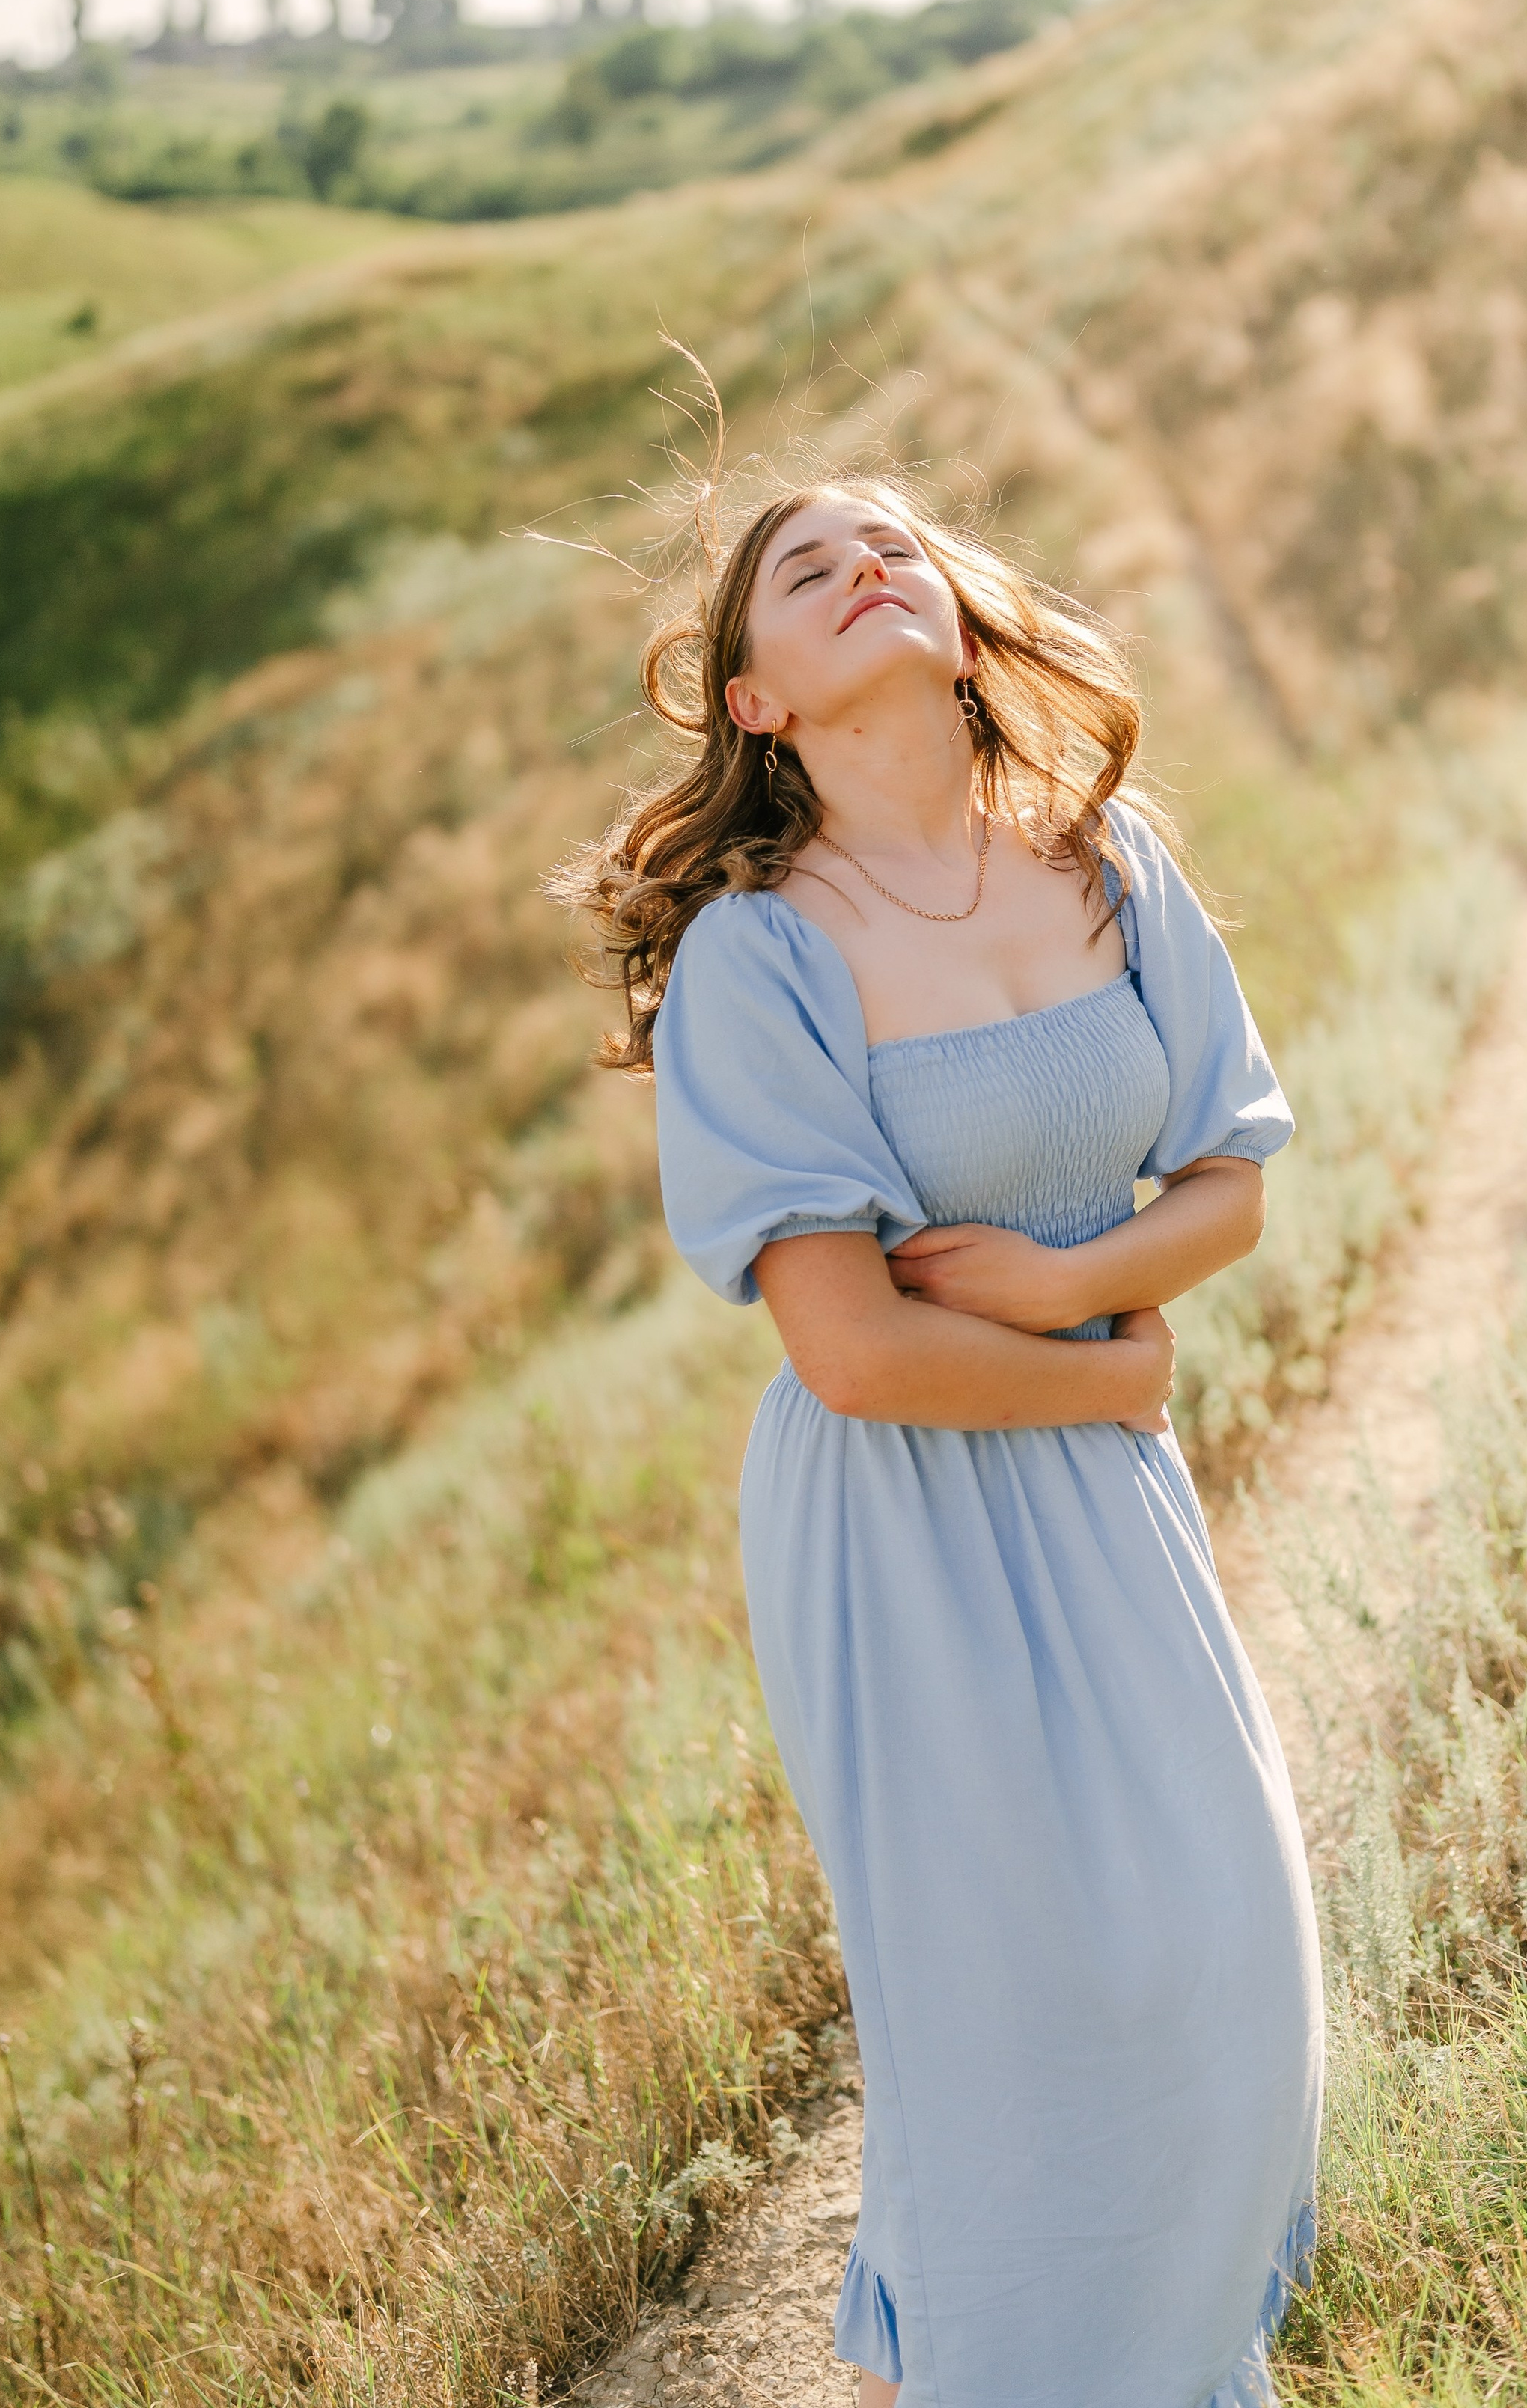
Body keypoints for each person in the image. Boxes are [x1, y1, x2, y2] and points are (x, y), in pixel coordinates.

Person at [552, 468, 1323, 2408]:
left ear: (958, 604)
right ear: (758, 705)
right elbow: (855, 1354)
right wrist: (1118, 1376)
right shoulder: (759, 958)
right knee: (1010, 2049)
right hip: (898, 1536)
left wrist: (1073, 1301)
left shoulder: (1105, 860)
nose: (870, 563)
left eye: (893, 540)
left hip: (1103, 1496)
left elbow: (1231, 1179)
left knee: (1229, 1973)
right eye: (810, 570)